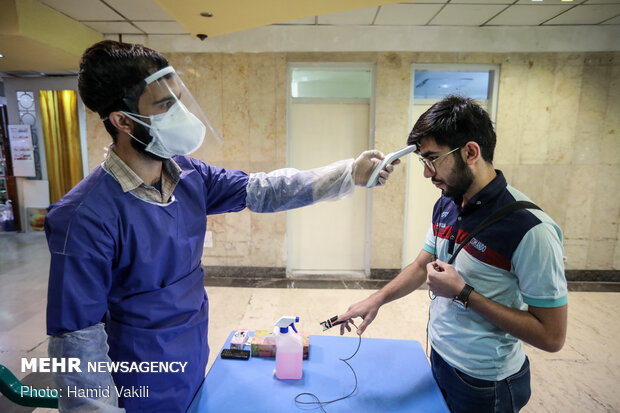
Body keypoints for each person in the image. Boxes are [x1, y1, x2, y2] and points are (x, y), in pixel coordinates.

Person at [45, 40, 397, 413]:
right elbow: (76, 343)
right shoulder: (84, 217)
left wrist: (348, 173)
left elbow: (264, 190)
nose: (179, 113)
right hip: (137, 381)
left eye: (179, 99)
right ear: (123, 120)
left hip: (193, 356)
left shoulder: (190, 176)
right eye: (165, 106)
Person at [336, 95, 567, 413]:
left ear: (471, 152)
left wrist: (464, 293)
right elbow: (422, 264)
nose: (427, 174)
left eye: (433, 159)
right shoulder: (447, 202)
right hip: (440, 358)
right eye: (423, 162)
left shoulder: (530, 229)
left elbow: (551, 336)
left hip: (487, 383)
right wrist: (376, 299)